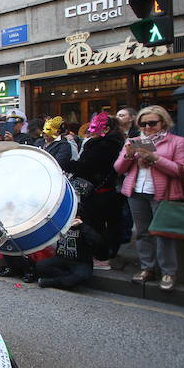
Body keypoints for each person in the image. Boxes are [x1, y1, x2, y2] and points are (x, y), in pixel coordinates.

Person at [114, 105, 184, 291]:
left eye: (152, 123)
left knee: (163, 234)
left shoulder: (177, 142)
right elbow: (118, 168)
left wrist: (155, 158)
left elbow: (182, 170)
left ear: (163, 122)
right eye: (143, 124)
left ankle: (168, 271)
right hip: (136, 192)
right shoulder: (133, 140)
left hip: (162, 193)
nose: (147, 128)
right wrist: (129, 156)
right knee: (142, 232)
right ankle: (147, 268)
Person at [61, 112, 124, 269]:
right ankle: (101, 253)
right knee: (98, 224)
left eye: (95, 127)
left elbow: (87, 167)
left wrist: (66, 164)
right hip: (98, 191)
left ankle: (102, 256)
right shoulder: (98, 143)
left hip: (101, 193)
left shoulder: (106, 145)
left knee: (98, 225)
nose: (90, 129)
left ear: (107, 129)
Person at [34, 212, 105, 290]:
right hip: (62, 258)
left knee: (81, 276)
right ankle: (67, 279)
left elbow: (98, 241)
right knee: (41, 265)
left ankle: (52, 282)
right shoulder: (61, 224)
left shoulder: (85, 226)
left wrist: (82, 225)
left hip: (80, 261)